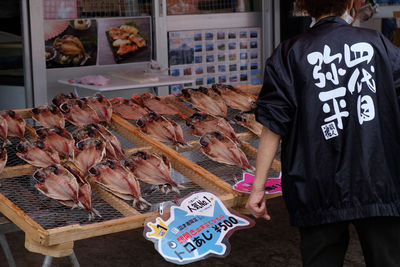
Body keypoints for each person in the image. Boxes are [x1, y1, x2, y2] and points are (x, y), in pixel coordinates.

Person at [246, 0, 400, 266]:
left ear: (304, 7)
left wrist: (257, 187)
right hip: (379, 181)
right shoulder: (378, 44)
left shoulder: (289, 52)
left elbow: (273, 124)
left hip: (317, 185)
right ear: (351, 3)